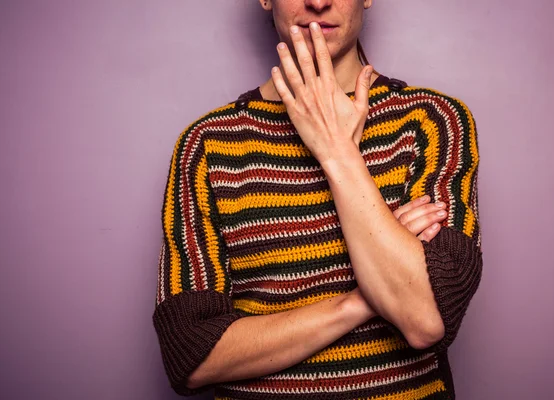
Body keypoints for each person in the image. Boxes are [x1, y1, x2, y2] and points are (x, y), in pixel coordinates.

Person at [152, 0, 483, 398]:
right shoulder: (207, 145)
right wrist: (361, 301)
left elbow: (423, 320)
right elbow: (190, 357)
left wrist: (335, 152)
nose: (319, 2)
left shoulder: (432, 121)